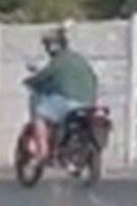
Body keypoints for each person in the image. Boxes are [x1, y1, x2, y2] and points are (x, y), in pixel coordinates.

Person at [23, 27, 99, 162]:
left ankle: (43, 152)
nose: (46, 49)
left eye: (47, 45)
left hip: (67, 102)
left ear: (53, 47)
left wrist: (29, 81)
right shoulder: (78, 59)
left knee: (39, 115)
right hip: (88, 102)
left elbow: (44, 76)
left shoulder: (58, 61)